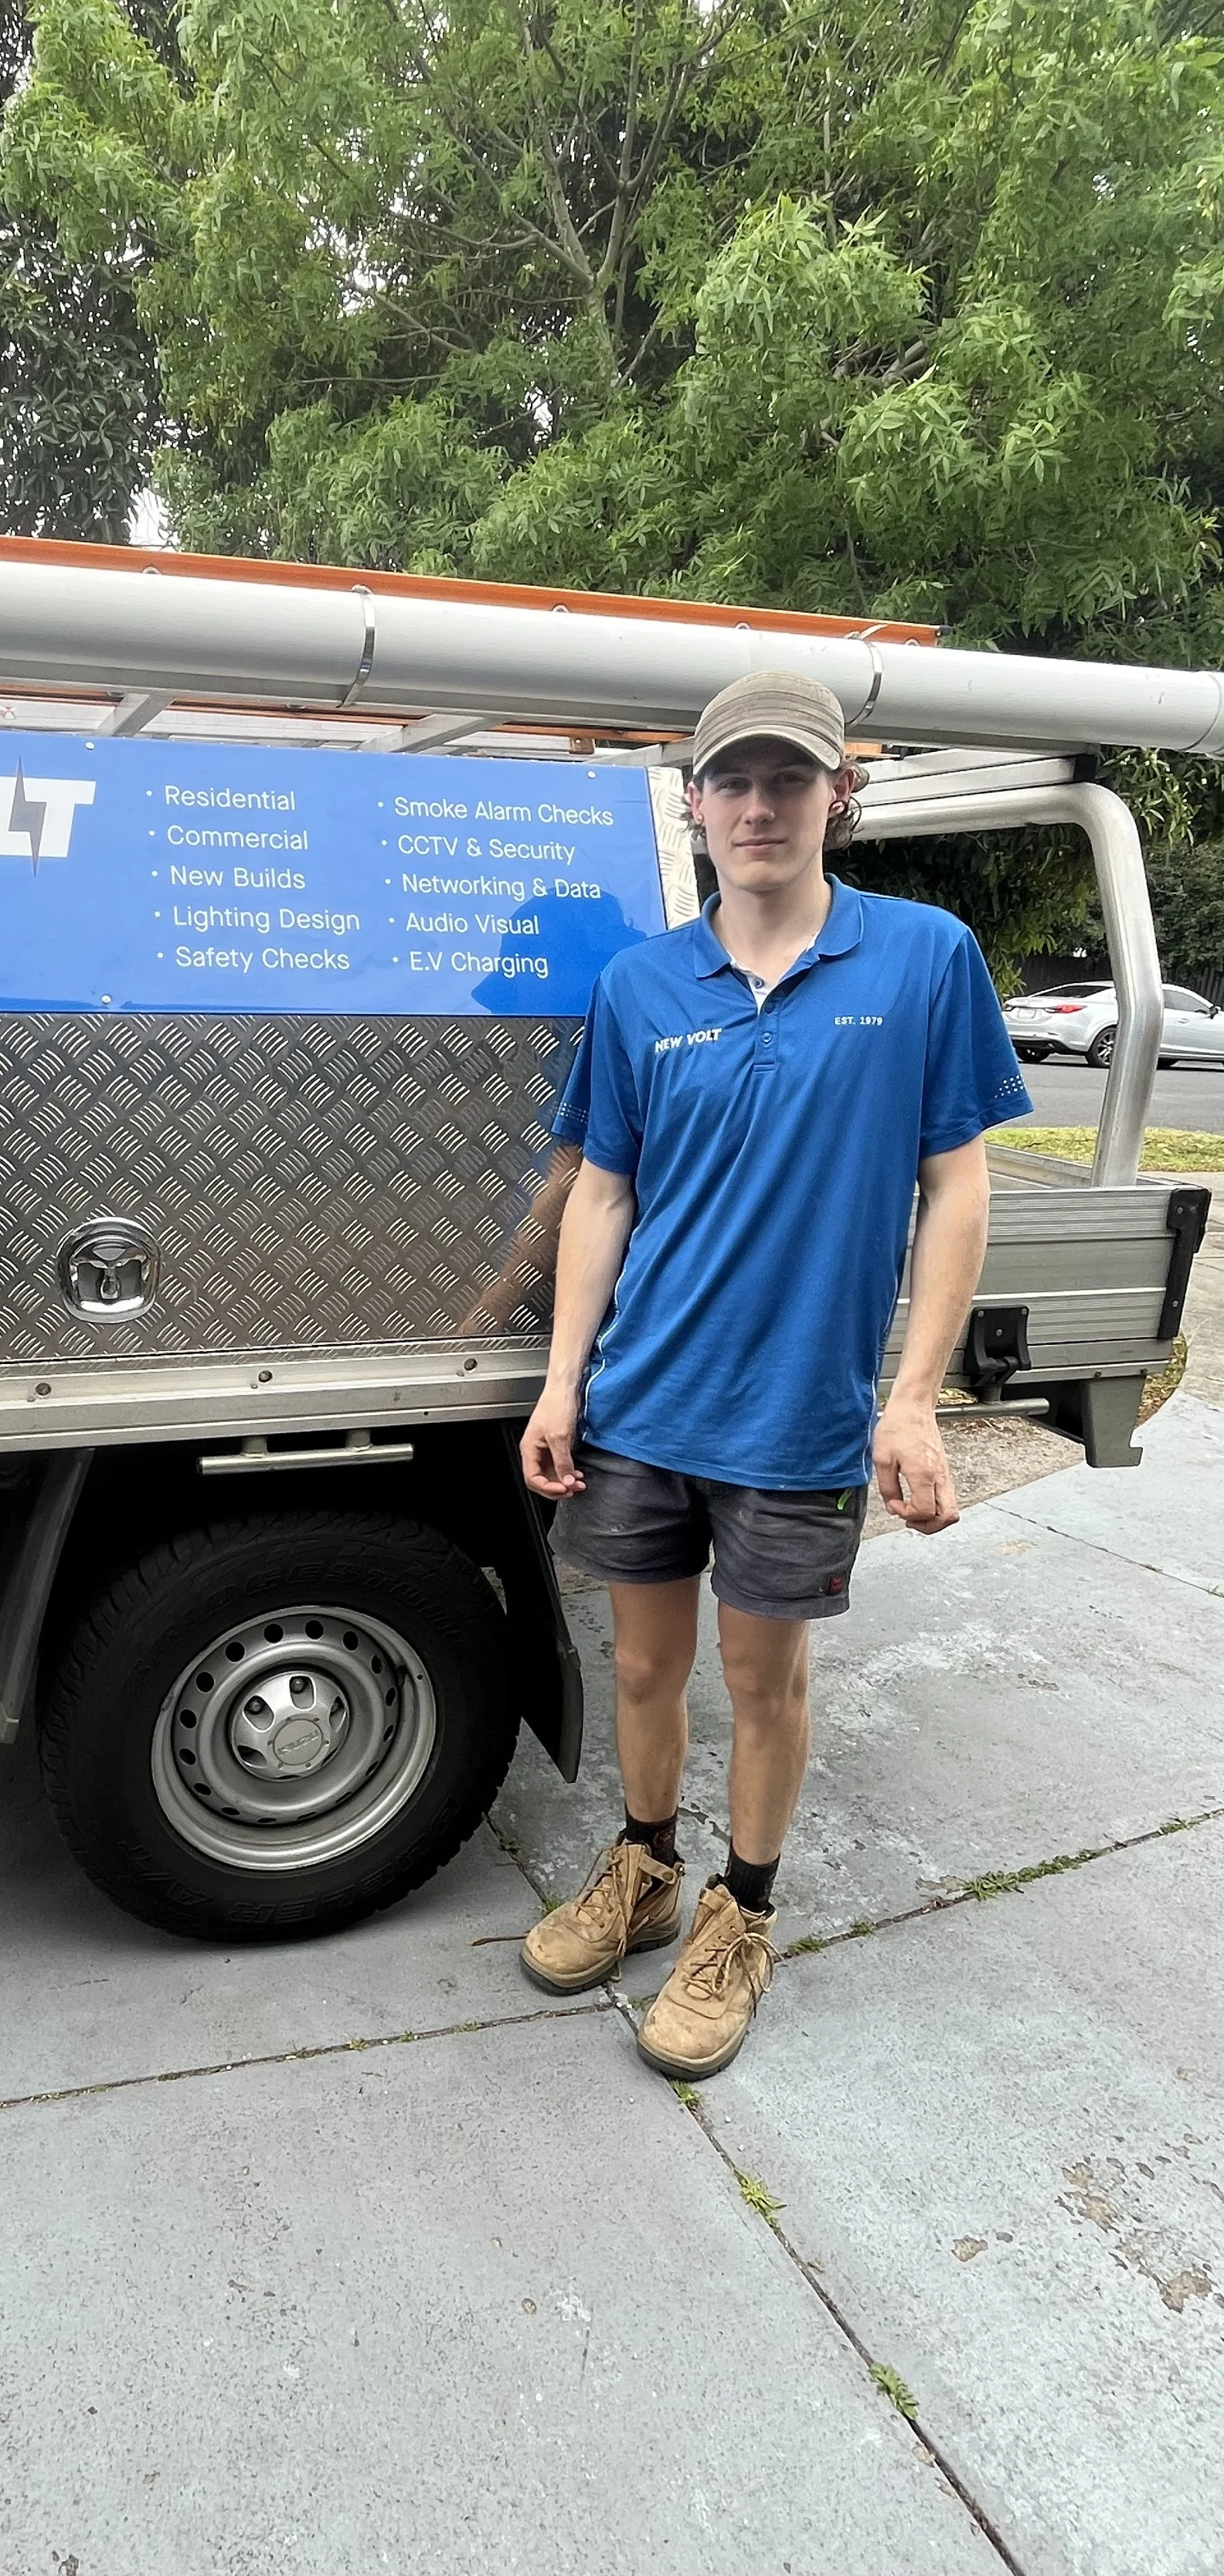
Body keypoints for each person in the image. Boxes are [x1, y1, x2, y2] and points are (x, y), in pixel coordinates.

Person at [517, 671, 1032, 2080]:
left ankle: (743, 1911)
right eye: (731, 782)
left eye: (787, 781)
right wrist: (564, 1384)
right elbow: (603, 1196)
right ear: (693, 808)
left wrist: (912, 1396)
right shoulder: (641, 984)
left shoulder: (924, 960)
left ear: (836, 800)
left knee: (762, 1675)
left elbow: (957, 1188)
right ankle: (644, 1867)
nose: (757, 806)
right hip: (642, 1401)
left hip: (798, 1416)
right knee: (639, 1661)